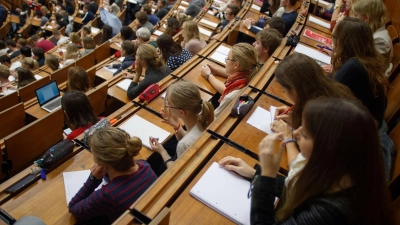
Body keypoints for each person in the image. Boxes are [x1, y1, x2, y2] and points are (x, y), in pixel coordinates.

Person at [220, 98, 397, 225]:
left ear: (325, 149)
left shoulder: (330, 212)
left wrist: (266, 177)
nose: (295, 133)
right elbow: (303, 189)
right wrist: (255, 174)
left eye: (304, 134)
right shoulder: (345, 175)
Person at [331, 17, 393, 179]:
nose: (333, 41)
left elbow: (324, 97)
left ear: (345, 42)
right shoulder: (366, 61)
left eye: (335, 38)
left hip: (365, 151)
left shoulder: (354, 66)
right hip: (370, 136)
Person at [268, 53, 354, 167]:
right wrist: (297, 118)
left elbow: (300, 168)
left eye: (284, 91)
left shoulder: (321, 113)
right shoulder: (332, 91)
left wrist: (288, 137)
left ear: (295, 89)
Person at [68, 127, 157, 223]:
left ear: (102, 162)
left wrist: (93, 180)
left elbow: (73, 208)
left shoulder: (109, 195)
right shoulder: (144, 165)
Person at [150, 82, 214, 168]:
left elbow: (176, 170)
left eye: (169, 104)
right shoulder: (208, 117)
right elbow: (191, 137)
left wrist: (162, 151)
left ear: (181, 112)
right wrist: (177, 126)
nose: (167, 106)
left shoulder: (184, 144)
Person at [201, 43, 260, 117]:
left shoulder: (230, 97)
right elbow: (233, 74)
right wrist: (215, 70)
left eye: (227, 58)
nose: (225, 61)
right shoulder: (249, 74)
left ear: (236, 65)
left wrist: (208, 75)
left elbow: (214, 119)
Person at [352, 0, 393, 76]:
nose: (353, 19)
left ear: (366, 18)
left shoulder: (380, 40)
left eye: (355, 15)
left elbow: (369, 72)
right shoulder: (371, 32)